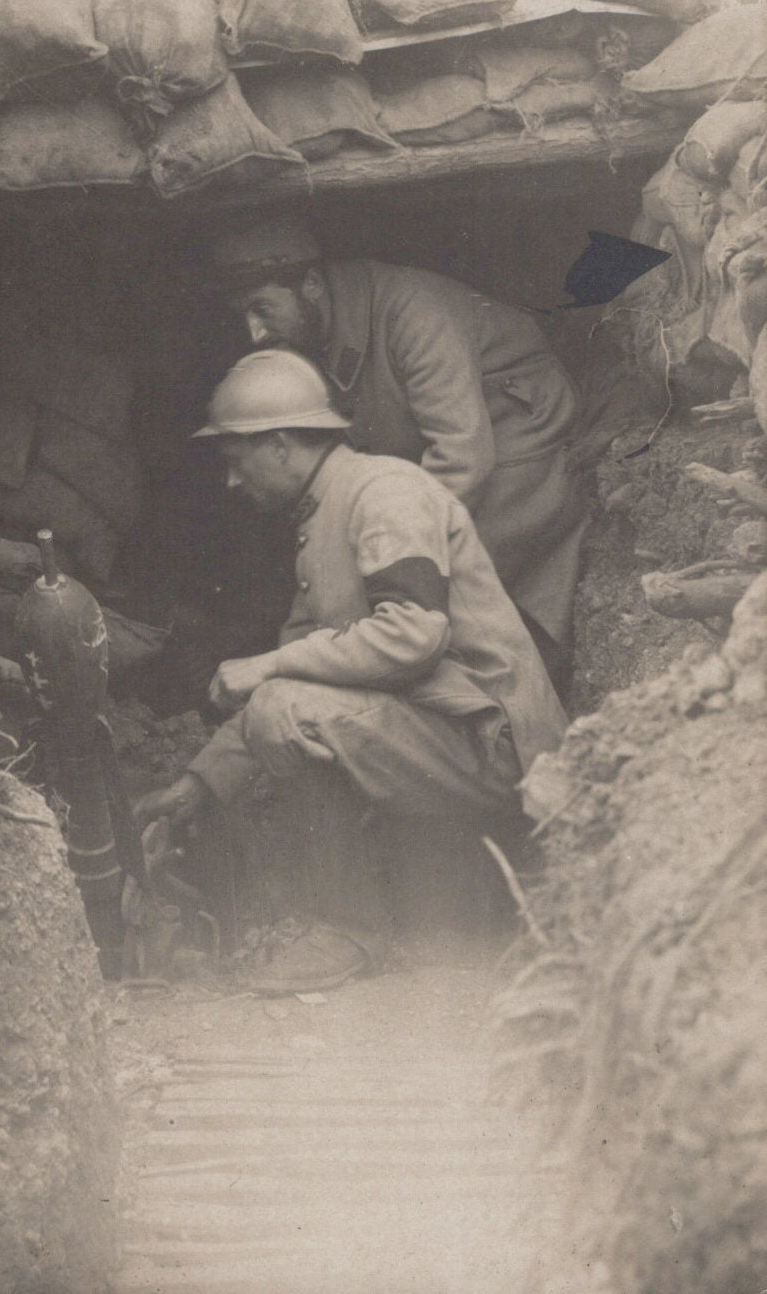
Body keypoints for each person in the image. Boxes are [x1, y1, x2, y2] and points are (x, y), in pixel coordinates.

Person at [135, 349, 566, 995]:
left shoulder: (383, 492)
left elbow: (415, 632)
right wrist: (200, 783)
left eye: (234, 458)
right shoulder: (322, 520)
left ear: (280, 445)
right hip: (447, 734)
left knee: (285, 705)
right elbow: (303, 661)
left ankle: (346, 929)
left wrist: (269, 664)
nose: (230, 481)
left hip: (498, 743)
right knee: (282, 700)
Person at [209, 217, 587, 682]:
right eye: (243, 315)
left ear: (310, 284)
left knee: (420, 588)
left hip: (519, 452)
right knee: (367, 576)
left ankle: (483, 705)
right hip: (430, 467)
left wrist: (391, 543)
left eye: (262, 309)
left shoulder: (413, 312)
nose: (255, 334)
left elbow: (463, 455)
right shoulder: (312, 329)